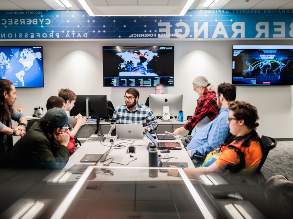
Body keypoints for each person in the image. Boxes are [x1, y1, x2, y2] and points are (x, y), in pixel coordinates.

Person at [168, 101, 263, 178]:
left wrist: (179, 172)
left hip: (215, 182)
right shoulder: (252, 136)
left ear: (241, 122)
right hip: (217, 172)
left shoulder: (235, 151)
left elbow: (209, 172)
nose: (227, 122)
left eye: (230, 119)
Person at [7, 108, 76, 169]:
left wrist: (56, 143)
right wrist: (63, 145)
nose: (66, 130)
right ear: (58, 130)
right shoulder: (39, 140)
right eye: (65, 127)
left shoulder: (40, 127)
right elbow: (56, 167)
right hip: (15, 178)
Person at [186, 83, 236, 158]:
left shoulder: (224, 117)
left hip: (195, 157)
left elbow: (214, 145)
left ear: (221, 97)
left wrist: (193, 152)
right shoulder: (223, 113)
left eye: (217, 97)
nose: (216, 99)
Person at [0, 79, 27, 164]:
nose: (16, 97)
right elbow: (1, 127)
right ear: (5, 94)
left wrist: (22, 126)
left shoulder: (7, 108)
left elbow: (21, 116)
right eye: (14, 93)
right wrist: (15, 131)